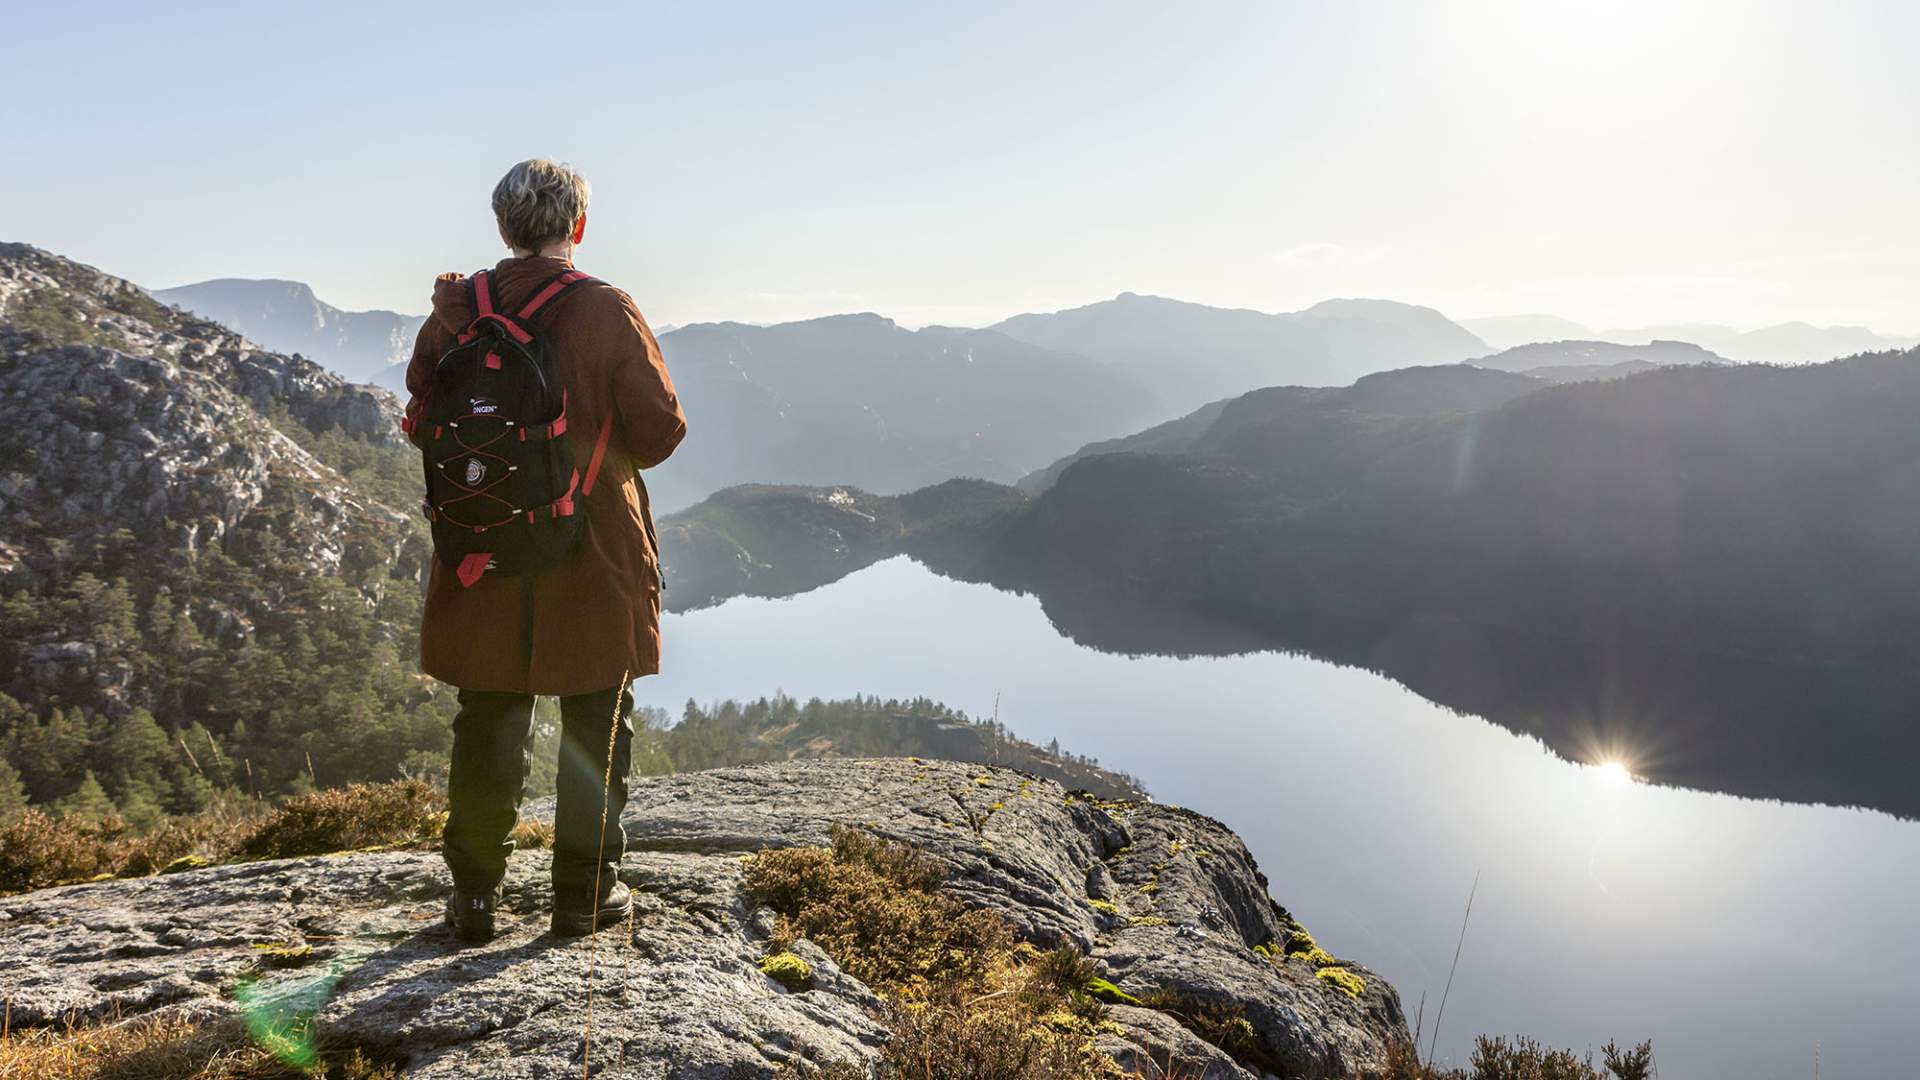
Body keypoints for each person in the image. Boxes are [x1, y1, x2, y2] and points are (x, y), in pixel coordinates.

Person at [402, 159, 686, 943]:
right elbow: (660, 434)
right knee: (595, 718)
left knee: (489, 713)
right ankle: (583, 895)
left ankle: (474, 900)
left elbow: (425, 408)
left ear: (503, 229)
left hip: (483, 545)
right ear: (578, 226)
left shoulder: (458, 312)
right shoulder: (604, 310)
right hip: (588, 547)